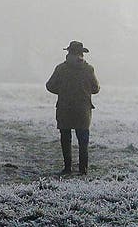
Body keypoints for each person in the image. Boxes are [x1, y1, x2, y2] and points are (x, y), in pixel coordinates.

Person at [46, 41, 100, 175]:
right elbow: (96, 88)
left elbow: (50, 86)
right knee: (83, 140)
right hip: (83, 110)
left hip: (64, 108)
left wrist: (63, 92)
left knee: (65, 138)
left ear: (68, 53)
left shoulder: (61, 68)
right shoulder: (89, 69)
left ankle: (67, 167)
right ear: (82, 54)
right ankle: (83, 169)